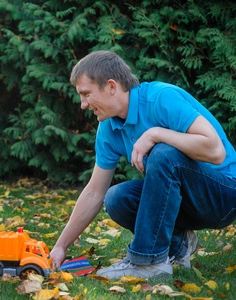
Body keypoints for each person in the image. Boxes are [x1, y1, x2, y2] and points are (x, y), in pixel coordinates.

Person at [50, 51, 236, 279]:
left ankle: (148, 263)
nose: (83, 104)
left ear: (111, 86)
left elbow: (216, 151)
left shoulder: (161, 98)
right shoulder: (108, 127)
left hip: (224, 195)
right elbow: (94, 192)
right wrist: (61, 246)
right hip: (184, 201)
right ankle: (178, 247)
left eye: (86, 94)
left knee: (163, 153)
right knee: (116, 198)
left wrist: (156, 134)